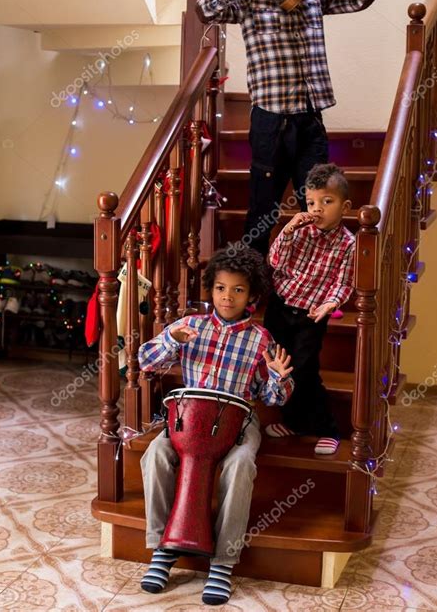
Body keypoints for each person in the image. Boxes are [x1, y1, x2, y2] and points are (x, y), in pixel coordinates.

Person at [196, 0, 376, 255]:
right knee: (264, 209)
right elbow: (203, 10)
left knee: (320, 209)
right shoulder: (248, 4)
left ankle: (313, 280)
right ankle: (253, 281)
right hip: (270, 123)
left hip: (310, 119)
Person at [138, 246, 294, 606]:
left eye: (238, 290)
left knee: (241, 465)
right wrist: (169, 340)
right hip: (188, 418)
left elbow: (272, 397)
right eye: (221, 288)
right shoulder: (189, 326)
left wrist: (279, 379)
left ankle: (223, 563)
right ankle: (163, 549)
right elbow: (145, 361)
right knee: (155, 454)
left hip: (238, 419)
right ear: (210, 289)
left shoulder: (261, 339)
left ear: (252, 296)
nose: (228, 296)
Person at [264, 163, 355, 455]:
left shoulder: (348, 244)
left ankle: (326, 428)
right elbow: (275, 262)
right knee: (280, 368)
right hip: (280, 307)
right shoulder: (299, 232)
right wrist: (288, 229)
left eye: (327, 202)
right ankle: (294, 422)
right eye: (312, 202)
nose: (318, 209)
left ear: (345, 206)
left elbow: (343, 283)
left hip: (310, 316)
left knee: (304, 370)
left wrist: (331, 303)